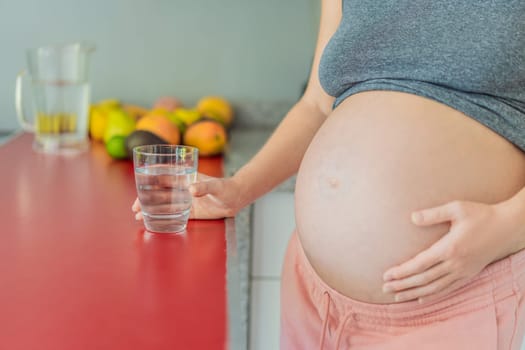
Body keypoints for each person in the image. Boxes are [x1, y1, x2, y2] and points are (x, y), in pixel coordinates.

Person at [133, 0, 525, 348]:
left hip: (447, 296)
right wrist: (238, 189)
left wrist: (506, 226)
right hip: (313, 295)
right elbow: (317, 106)